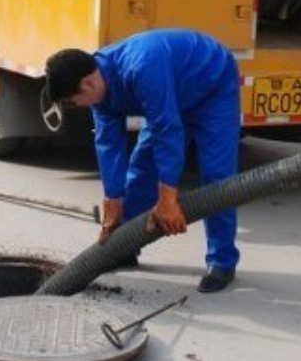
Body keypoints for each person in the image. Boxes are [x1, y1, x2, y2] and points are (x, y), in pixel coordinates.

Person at [45, 29, 240, 293]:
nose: (77, 106)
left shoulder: (141, 67)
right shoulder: (99, 88)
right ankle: (126, 245)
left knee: (217, 177)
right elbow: (108, 145)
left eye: (73, 100)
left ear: (88, 84)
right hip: (170, 95)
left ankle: (222, 262)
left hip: (211, 84)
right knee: (141, 171)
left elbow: (167, 130)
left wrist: (168, 200)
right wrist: (113, 202)